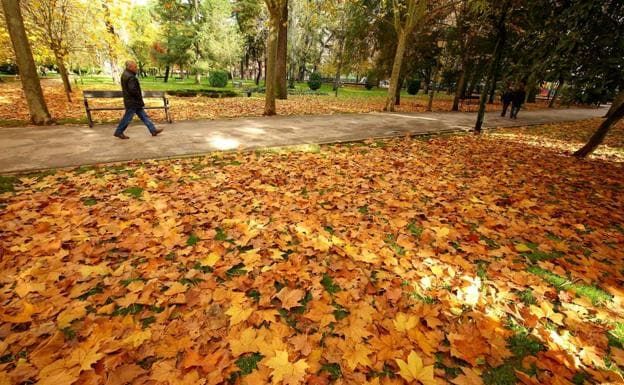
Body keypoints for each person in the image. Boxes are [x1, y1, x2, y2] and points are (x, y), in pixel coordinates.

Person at [114, 60, 163, 139]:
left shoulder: (125, 74)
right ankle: (118, 132)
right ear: (130, 67)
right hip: (133, 102)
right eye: (135, 67)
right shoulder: (130, 77)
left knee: (144, 116)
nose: (136, 68)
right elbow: (133, 90)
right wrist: (139, 97)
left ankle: (153, 130)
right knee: (127, 118)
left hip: (132, 102)